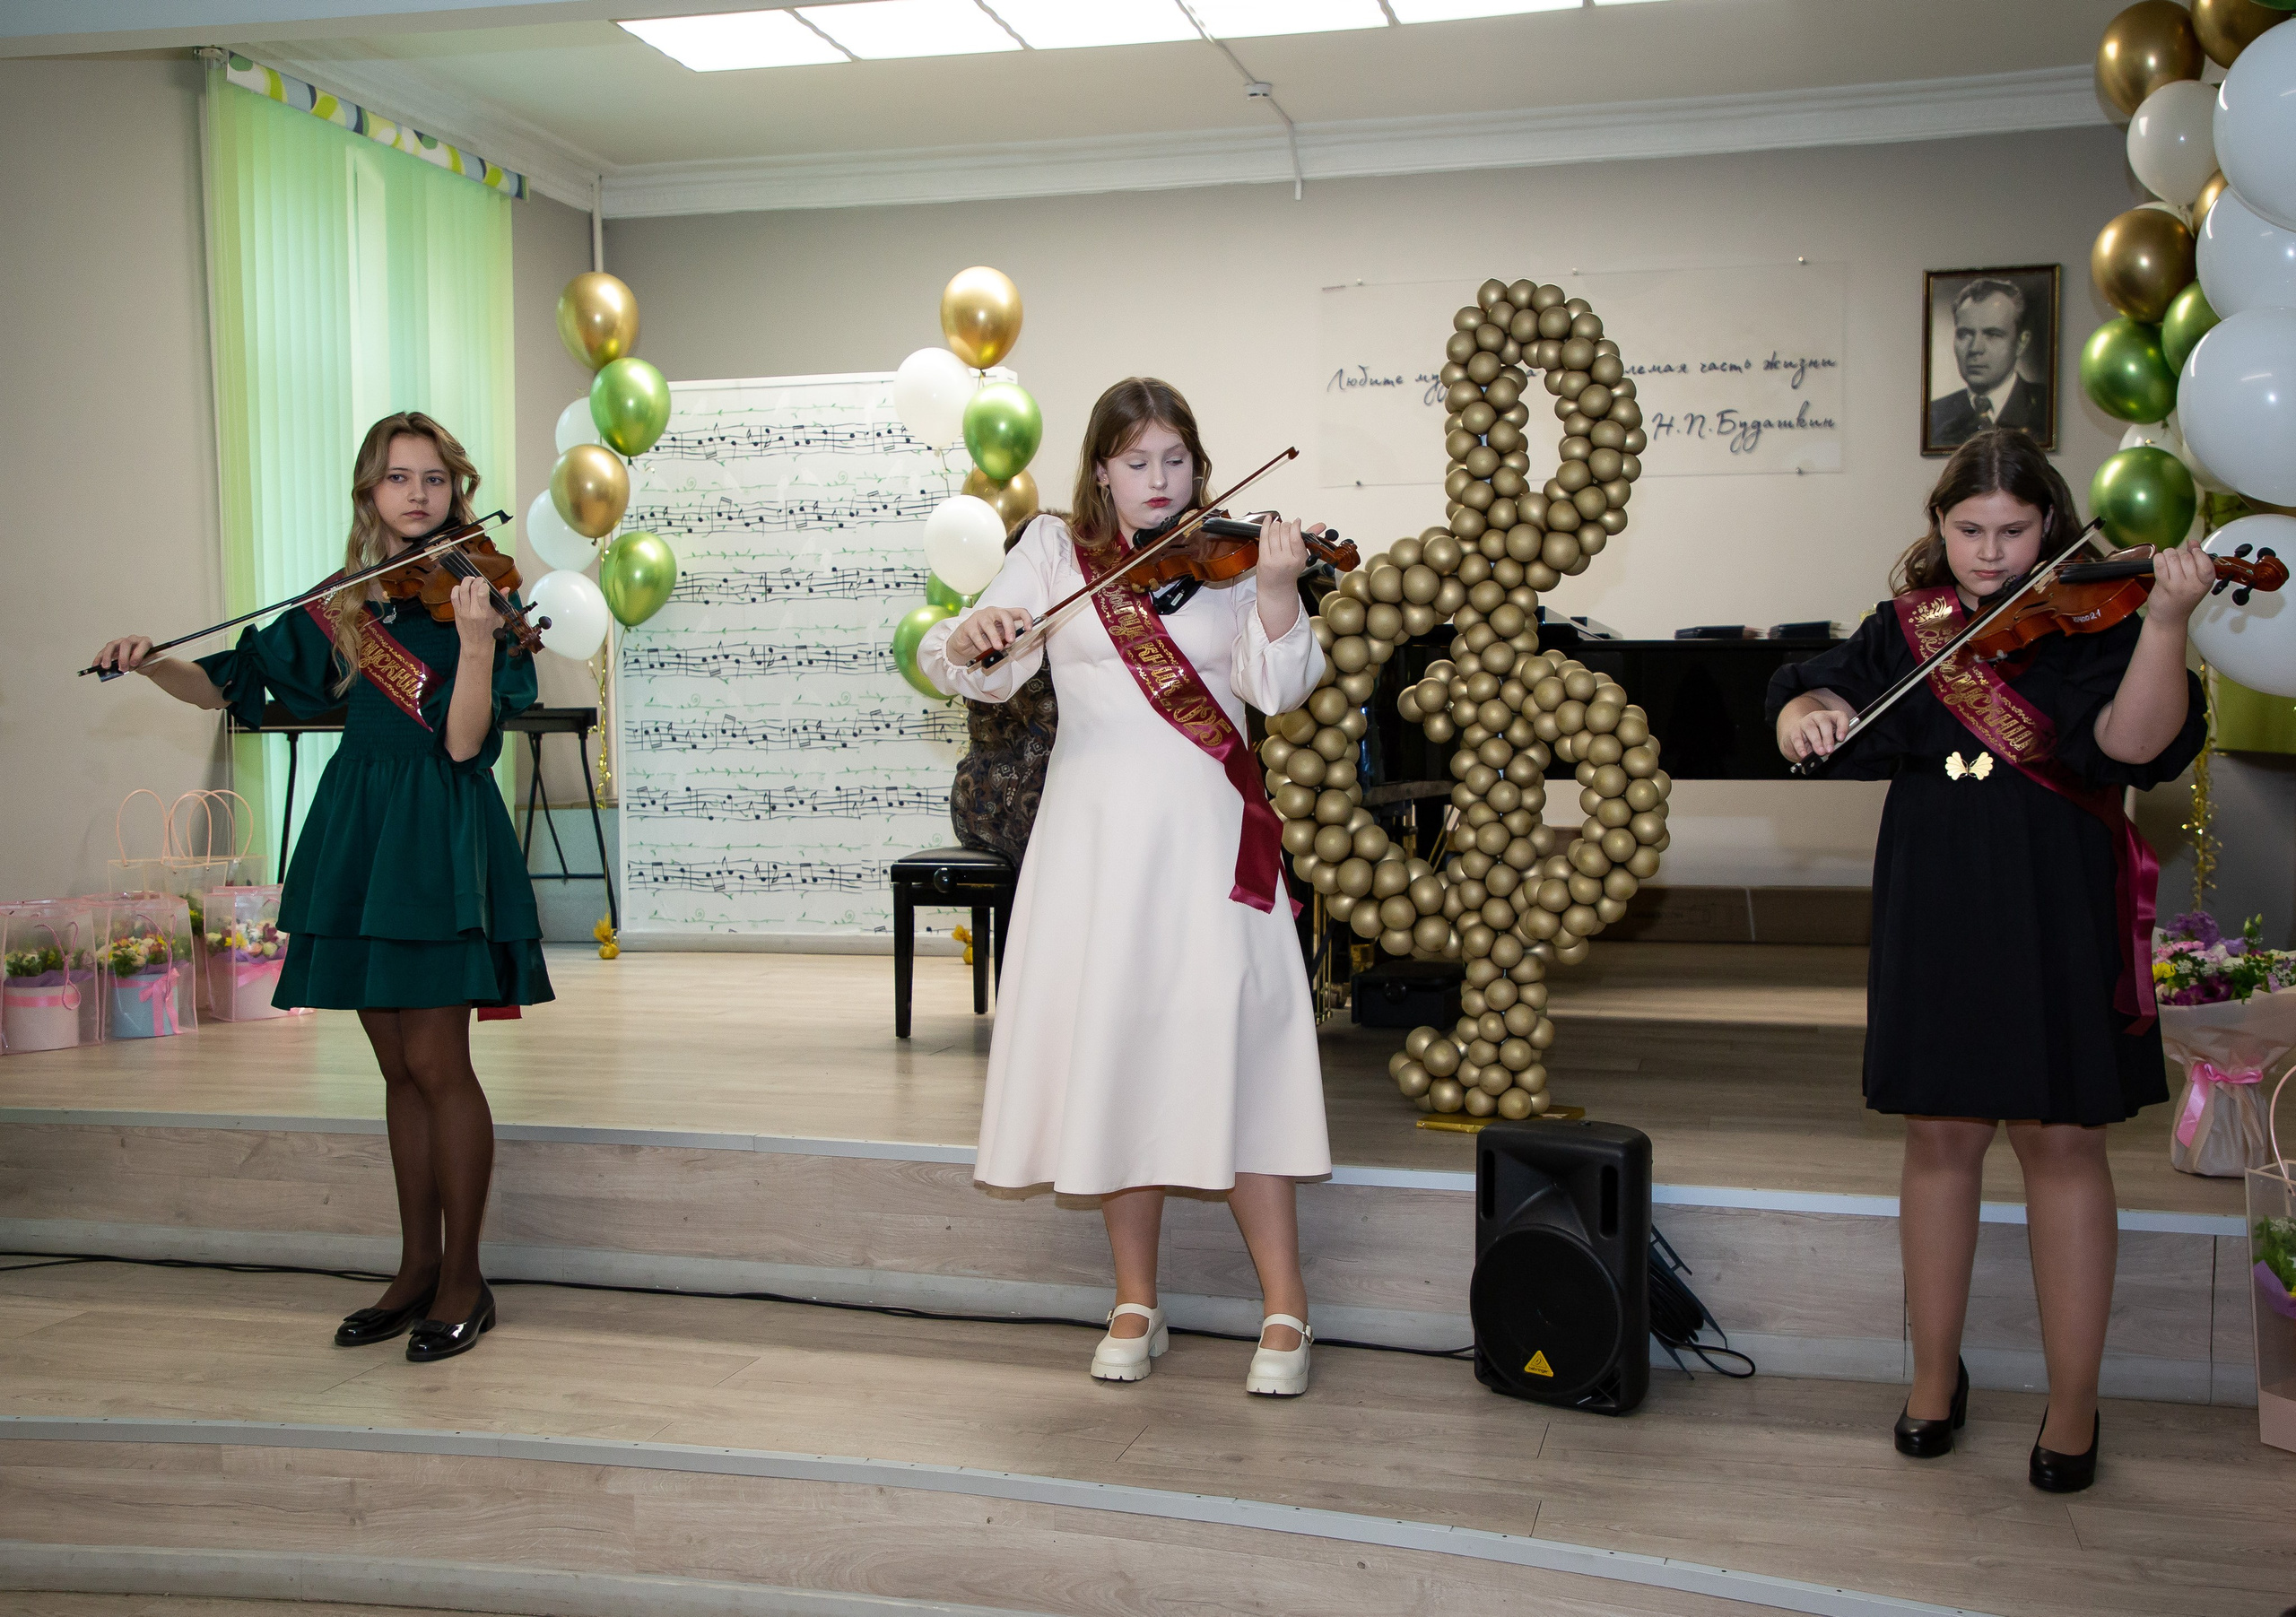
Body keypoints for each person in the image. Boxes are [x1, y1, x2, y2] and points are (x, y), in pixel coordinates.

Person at [1767, 427, 2209, 1493]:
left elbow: (2137, 745)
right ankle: (1930, 1378)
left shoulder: (2098, 621)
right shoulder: (1906, 627)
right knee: (1938, 1136)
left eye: (2012, 531)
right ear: (1939, 528)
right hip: (1937, 906)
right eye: (1967, 530)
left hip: (2057, 907)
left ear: (2050, 525)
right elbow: (1810, 696)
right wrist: (1805, 712)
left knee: (2062, 1146)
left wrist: (2164, 620)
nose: (1989, 552)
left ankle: (2072, 1404)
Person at [91, 411, 552, 1363]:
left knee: (438, 1062)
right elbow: (232, 687)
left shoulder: (482, 601)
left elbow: (465, 745)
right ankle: (414, 1266)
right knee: (393, 1068)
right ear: (369, 494)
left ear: (454, 492)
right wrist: (155, 664)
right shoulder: (346, 599)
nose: (417, 493)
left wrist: (473, 646)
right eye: (397, 478)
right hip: (358, 830)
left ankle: (465, 1277)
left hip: (433, 834)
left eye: (433, 478)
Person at [919, 378, 1332, 1395]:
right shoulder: (1057, 551)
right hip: (1096, 851)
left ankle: (1286, 1310)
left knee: (1236, 1056)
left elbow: (1276, 690)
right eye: (1137, 462)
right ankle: (1135, 1301)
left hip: (1206, 840)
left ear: (1198, 464)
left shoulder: (1233, 560)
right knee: (1119, 1059)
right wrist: (979, 634)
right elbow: (980, 660)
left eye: (1176, 461)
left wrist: (1277, 590)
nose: (1159, 481)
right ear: (1100, 468)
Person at [1928, 279, 2048, 448]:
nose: (1975, 348)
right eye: (1965, 334)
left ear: (2021, 343)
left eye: (1992, 334)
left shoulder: (2045, 408)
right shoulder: (1935, 414)